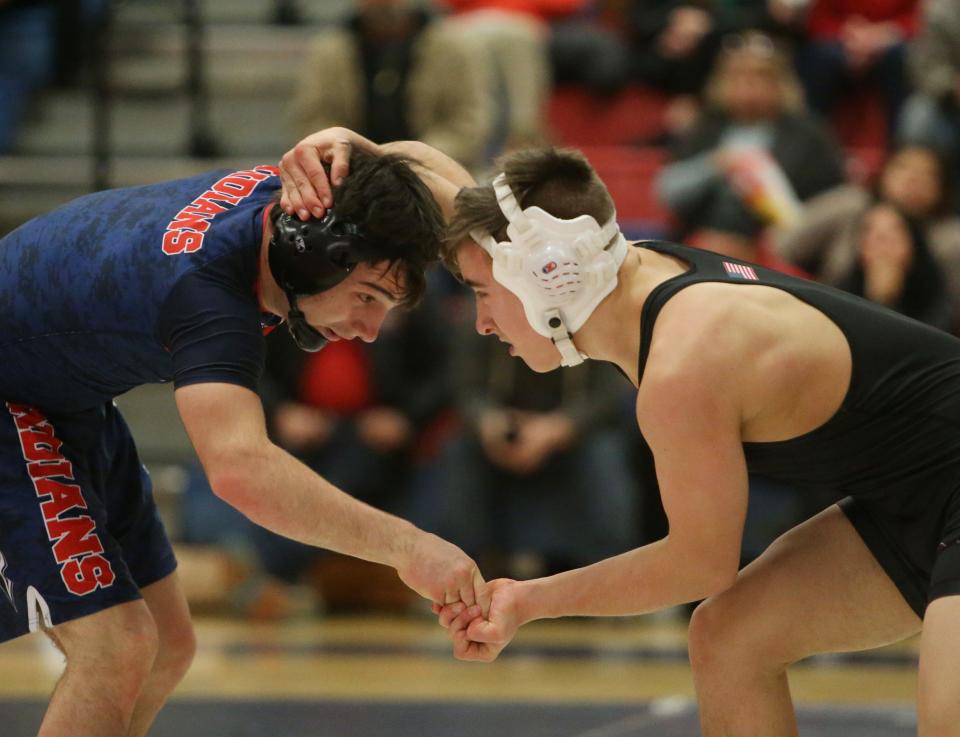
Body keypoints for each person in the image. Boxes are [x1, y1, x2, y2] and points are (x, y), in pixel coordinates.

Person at [283, 140, 960, 734]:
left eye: (485, 295)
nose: (483, 324)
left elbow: (701, 564)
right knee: (729, 637)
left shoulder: (684, 366)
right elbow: (439, 177)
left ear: (548, 276)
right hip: (911, 493)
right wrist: (347, 146)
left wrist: (529, 599)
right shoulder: (602, 264)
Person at [0, 129, 487, 737]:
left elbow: (410, 162)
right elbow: (241, 472)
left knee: (168, 645)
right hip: (16, 398)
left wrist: (355, 145)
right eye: (366, 297)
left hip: (59, 395)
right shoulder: (209, 295)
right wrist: (411, 548)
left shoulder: (295, 199)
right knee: (114, 648)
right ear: (316, 252)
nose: (367, 329)